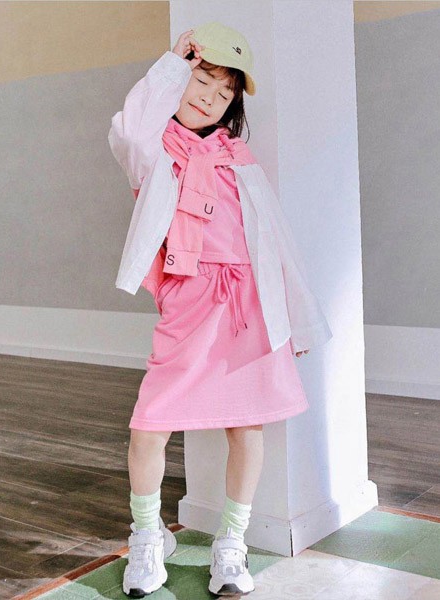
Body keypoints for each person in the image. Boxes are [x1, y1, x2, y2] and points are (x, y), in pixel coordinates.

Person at [108, 21, 332, 598]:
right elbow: (130, 128)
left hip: (248, 305)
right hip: (188, 302)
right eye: (202, 80)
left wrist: (293, 317)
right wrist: (170, 64)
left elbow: (273, 239)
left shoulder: (237, 156)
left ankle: (231, 544)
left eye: (224, 91)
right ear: (181, 79)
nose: (210, 98)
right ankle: (147, 537)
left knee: (247, 426)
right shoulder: (156, 150)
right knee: (149, 426)